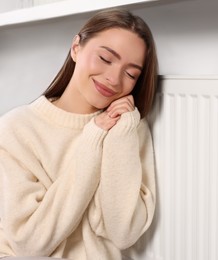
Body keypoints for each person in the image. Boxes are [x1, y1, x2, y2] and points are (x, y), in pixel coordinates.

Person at [0, 8, 158, 260]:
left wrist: (119, 136)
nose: (113, 79)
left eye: (131, 74)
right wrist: (92, 140)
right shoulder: (16, 129)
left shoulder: (128, 130)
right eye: (105, 59)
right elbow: (29, 244)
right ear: (76, 47)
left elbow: (123, 233)